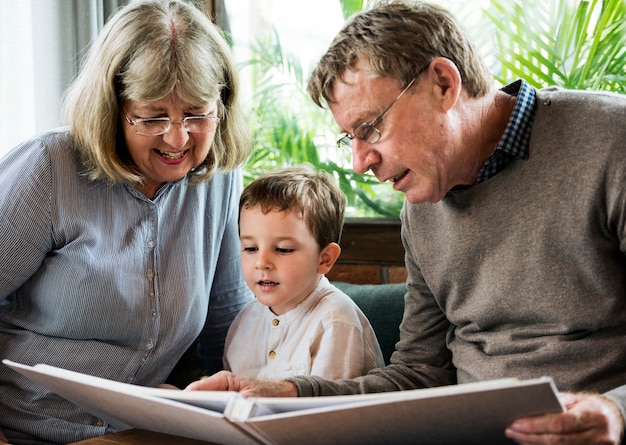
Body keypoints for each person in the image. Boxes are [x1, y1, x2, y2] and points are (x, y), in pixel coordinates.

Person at [186, 1, 626, 444]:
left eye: (370, 128)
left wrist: (615, 410)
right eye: (349, 139)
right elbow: (419, 374)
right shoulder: (422, 208)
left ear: (443, 84)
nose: (359, 163)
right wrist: (288, 394)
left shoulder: (612, 142)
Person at [0, 1, 253, 444]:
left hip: (140, 431)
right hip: (25, 429)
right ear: (112, 109)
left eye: (197, 114)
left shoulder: (218, 180)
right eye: (152, 116)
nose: (177, 138)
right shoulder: (49, 169)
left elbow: (226, 327)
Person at [224, 165, 384, 380]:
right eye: (250, 248)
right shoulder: (245, 320)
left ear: (324, 258)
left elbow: (329, 411)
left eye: (283, 250)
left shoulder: (336, 322)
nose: (261, 263)